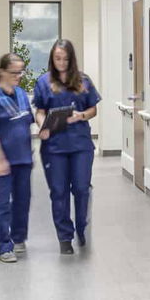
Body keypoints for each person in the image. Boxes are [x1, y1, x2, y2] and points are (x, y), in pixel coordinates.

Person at [32, 38, 101, 255]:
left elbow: (93, 109)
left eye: (65, 59)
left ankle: (82, 228)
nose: (61, 62)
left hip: (80, 144)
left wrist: (81, 115)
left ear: (72, 59)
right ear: (52, 59)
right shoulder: (44, 82)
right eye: (57, 58)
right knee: (59, 192)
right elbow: (40, 110)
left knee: (81, 188)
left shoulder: (83, 80)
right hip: (54, 147)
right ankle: (64, 236)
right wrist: (42, 125)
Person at [0, 53, 33, 263]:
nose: (18, 76)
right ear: (2, 71)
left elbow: (27, 122)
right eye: (14, 72)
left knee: (23, 201)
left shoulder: (21, 94)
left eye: (21, 71)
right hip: (0, 161)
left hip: (23, 158)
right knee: (3, 203)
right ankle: (3, 246)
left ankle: (18, 237)